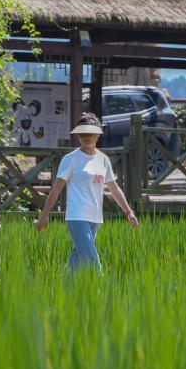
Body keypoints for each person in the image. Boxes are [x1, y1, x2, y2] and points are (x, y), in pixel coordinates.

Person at [35, 113, 138, 275]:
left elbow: (114, 187)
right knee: (92, 261)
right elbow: (56, 188)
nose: (86, 137)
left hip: (95, 217)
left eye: (90, 133)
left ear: (98, 134)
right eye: (82, 134)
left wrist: (128, 211)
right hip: (76, 216)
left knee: (78, 259)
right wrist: (45, 214)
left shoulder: (103, 159)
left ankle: (62, 290)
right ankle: (100, 292)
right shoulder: (71, 159)